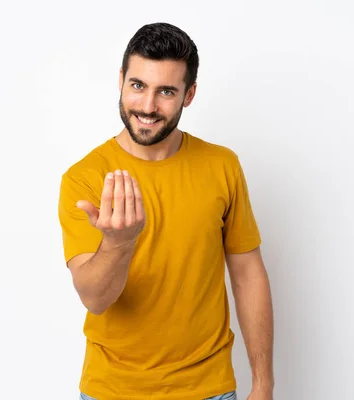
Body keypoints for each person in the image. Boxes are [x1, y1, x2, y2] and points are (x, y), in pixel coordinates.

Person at [58, 22, 274, 400]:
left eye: (166, 92)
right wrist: (118, 242)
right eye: (138, 85)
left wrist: (263, 383)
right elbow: (95, 299)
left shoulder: (222, 166)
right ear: (122, 79)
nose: (147, 106)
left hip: (209, 389)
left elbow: (248, 275)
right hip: (112, 391)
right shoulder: (84, 178)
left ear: (189, 94)